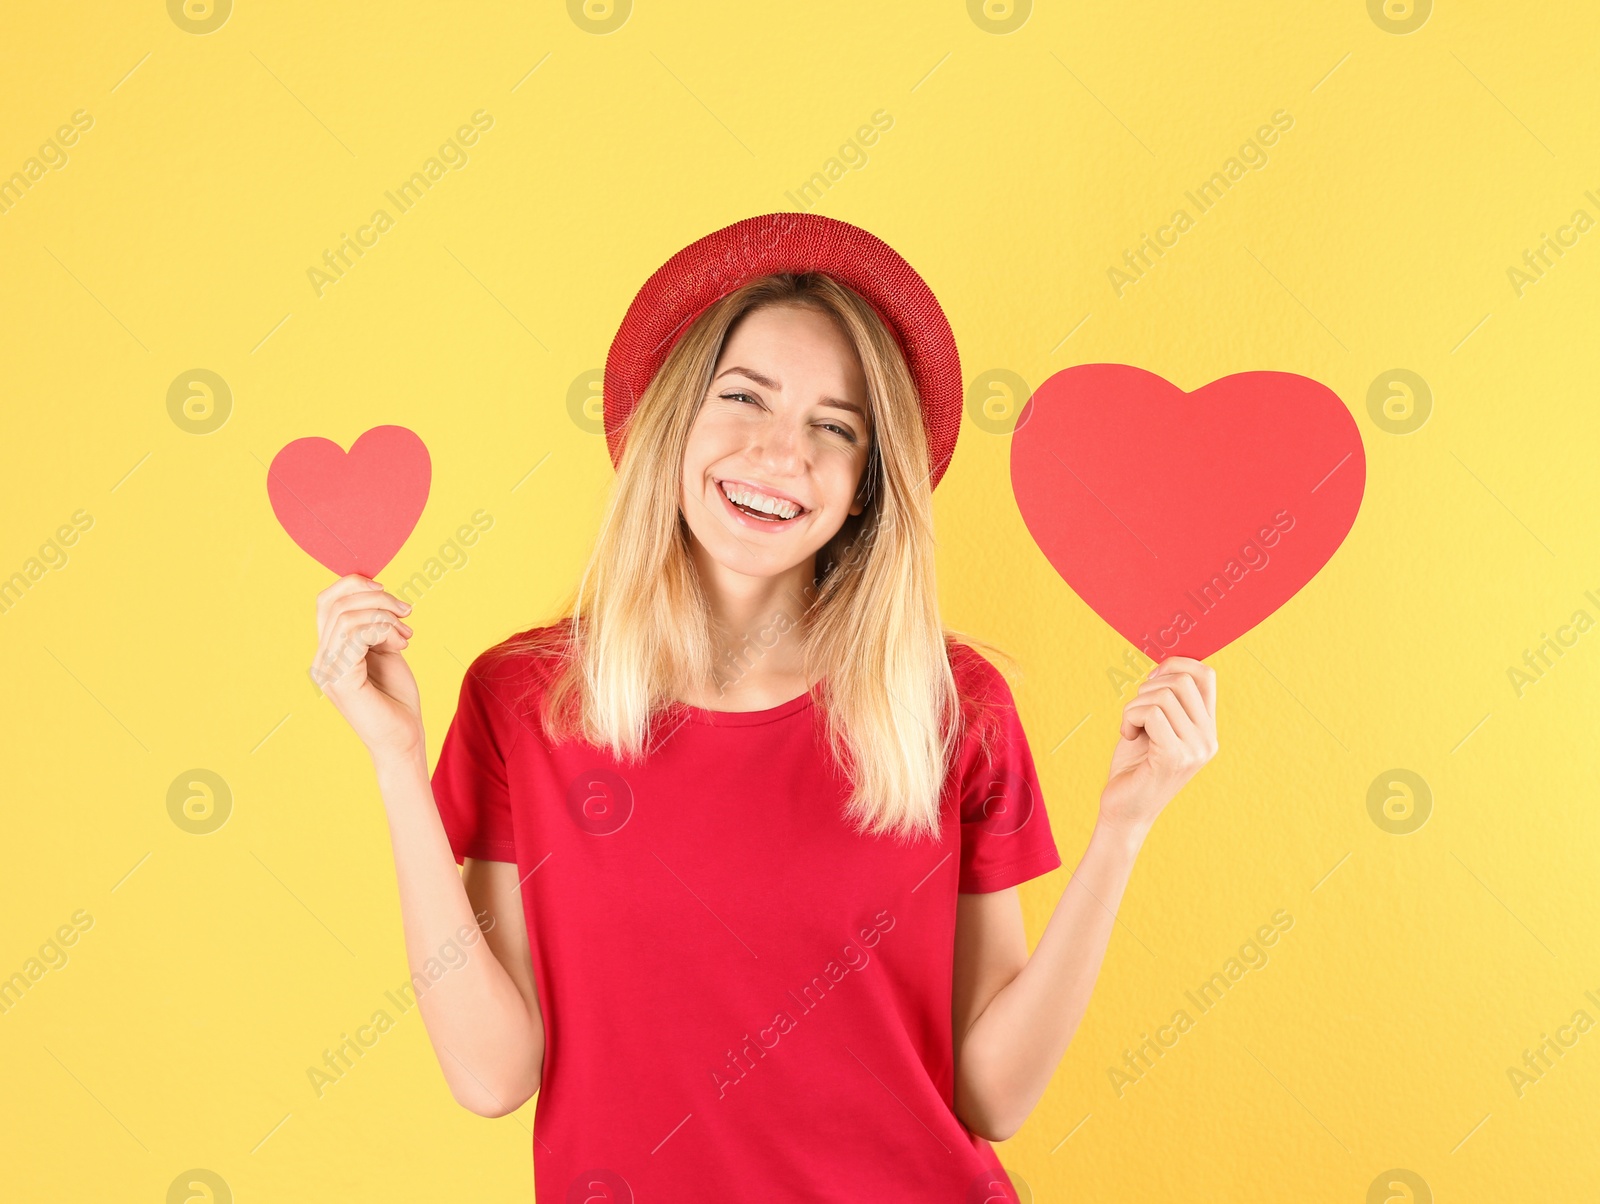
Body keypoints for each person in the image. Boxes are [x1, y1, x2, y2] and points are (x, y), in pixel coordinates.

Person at [309, 213, 1218, 1202]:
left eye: (835, 427)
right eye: (743, 399)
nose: (781, 453)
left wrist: (1123, 828)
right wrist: (395, 759)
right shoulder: (527, 700)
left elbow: (993, 1095)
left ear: (867, 486)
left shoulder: (951, 708)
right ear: (672, 426)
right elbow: (490, 1075)